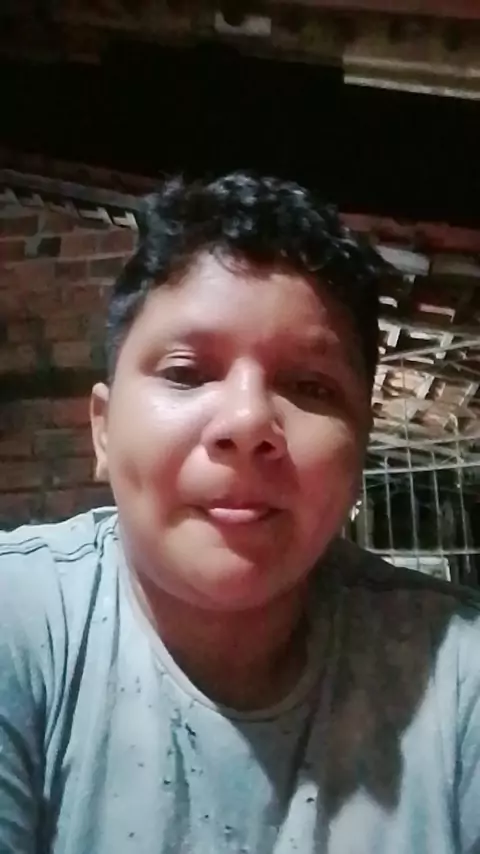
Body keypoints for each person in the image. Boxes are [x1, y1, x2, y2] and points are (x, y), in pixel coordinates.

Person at [0, 172, 479, 854]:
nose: (248, 422)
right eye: (187, 373)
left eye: (310, 385)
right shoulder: (19, 622)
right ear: (103, 430)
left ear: (359, 450)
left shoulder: (458, 673)